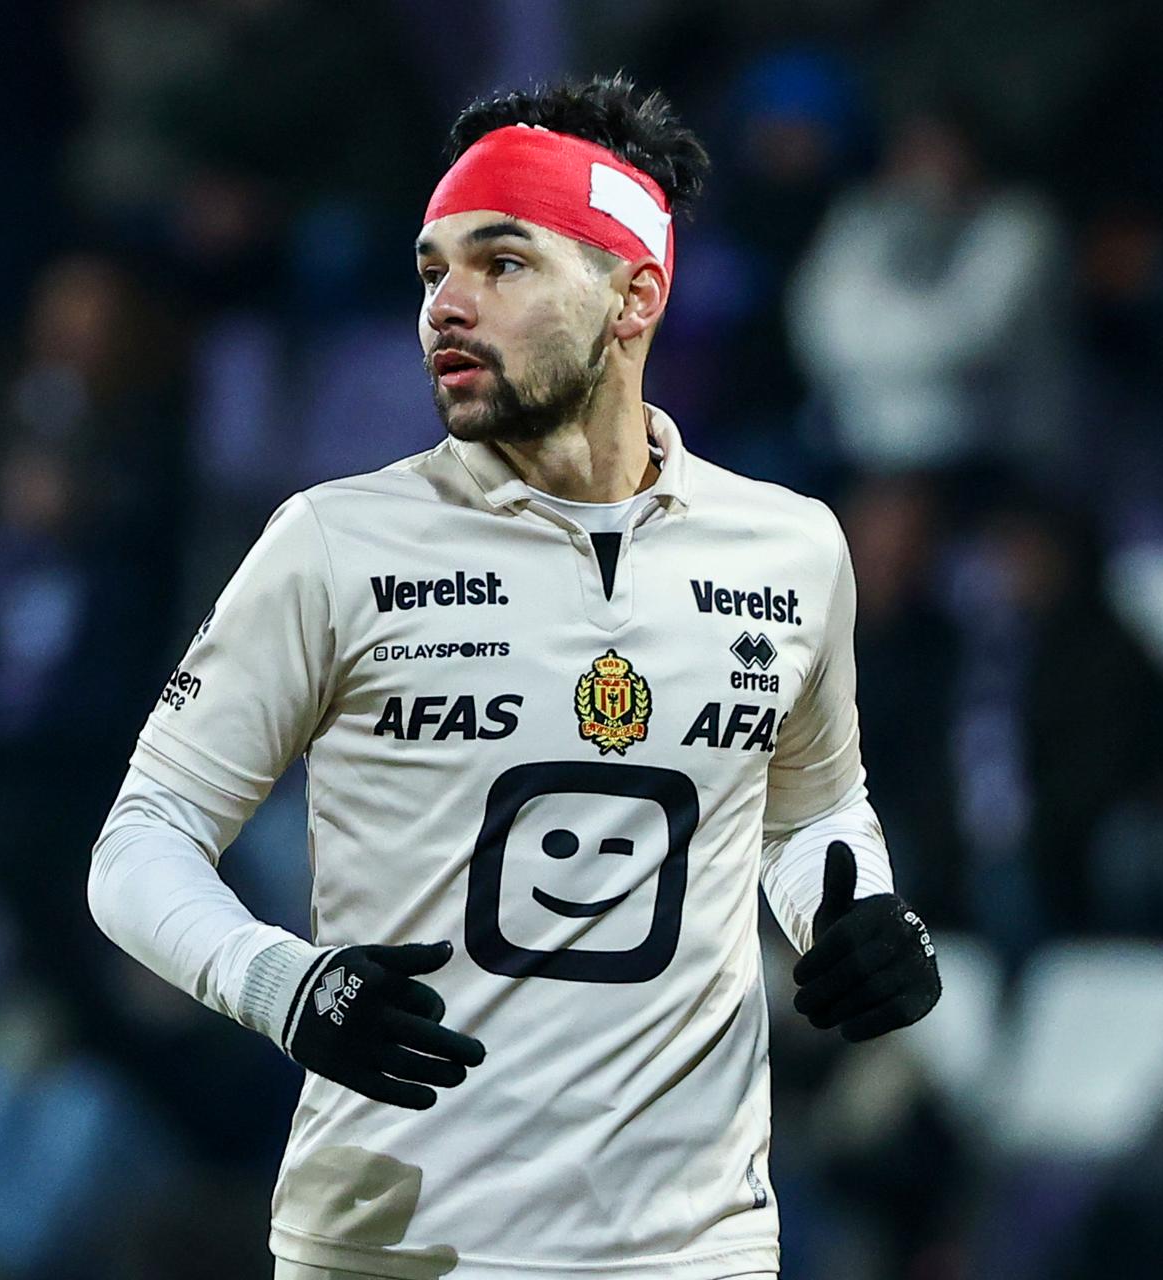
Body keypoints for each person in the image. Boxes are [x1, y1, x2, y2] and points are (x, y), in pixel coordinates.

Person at [89, 73, 942, 1280]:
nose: (448, 304)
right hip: (396, 1242)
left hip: (691, 1247)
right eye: (433, 269)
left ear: (633, 295)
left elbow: (810, 815)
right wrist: (280, 981)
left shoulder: (793, 548)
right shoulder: (335, 542)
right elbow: (141, 837)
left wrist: (854, 914)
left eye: (502, 262)